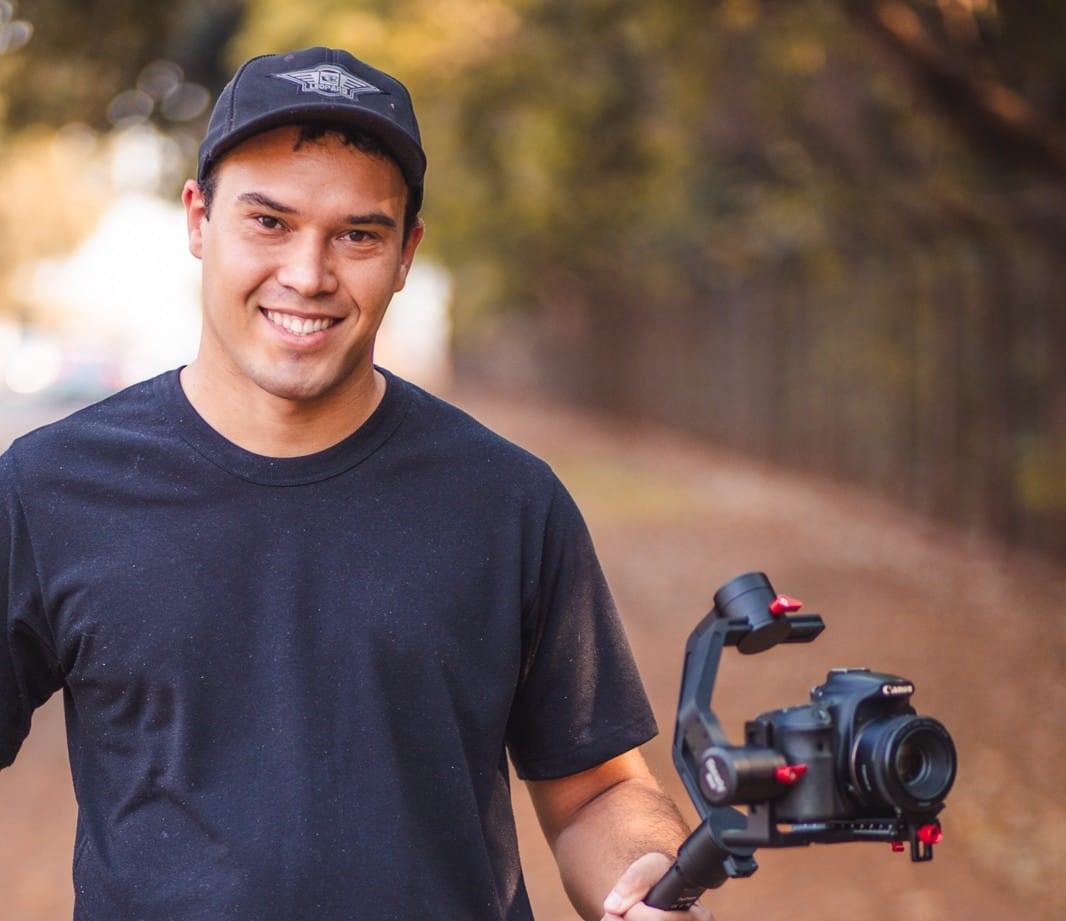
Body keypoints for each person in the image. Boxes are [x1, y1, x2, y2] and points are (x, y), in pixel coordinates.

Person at [0, 47, 712, 921]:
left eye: (358, 234)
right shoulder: (50, 489)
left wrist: (646, 876)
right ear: (198, 219)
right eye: (268, 221)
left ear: (407, 251)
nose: (308, 274)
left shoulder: (509, 504)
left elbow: (597, 789)